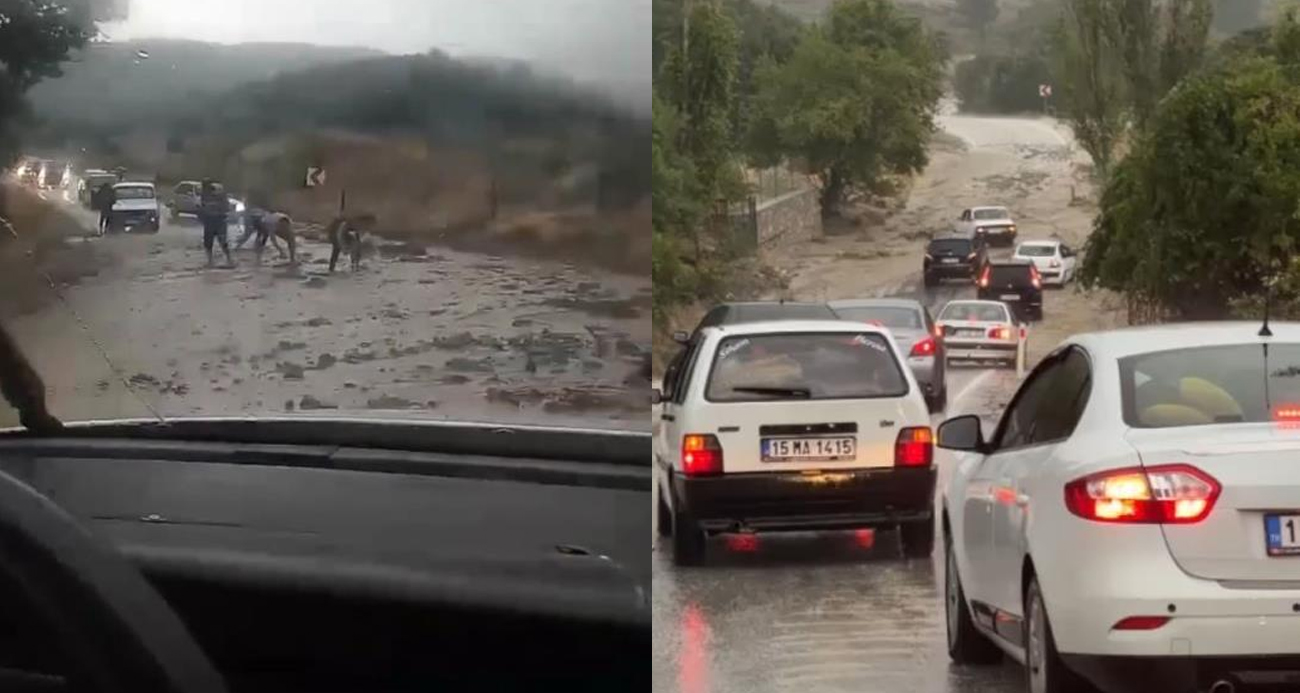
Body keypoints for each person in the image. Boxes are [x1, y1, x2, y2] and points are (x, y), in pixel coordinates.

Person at [197, 180, 234, 268]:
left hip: (219, 220)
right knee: (208, 243)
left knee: (222, 241)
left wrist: (214, 208)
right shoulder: (204, 196)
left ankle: (229, 260)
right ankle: (211, 261)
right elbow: (202, 208)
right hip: (210, 221)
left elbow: (226, 207)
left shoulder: (220, 195)